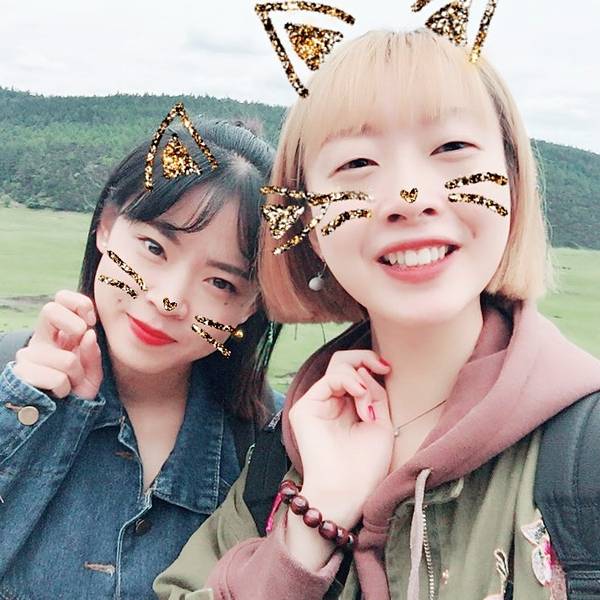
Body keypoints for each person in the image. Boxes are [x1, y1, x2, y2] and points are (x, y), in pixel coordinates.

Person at [154, 29, 600, 600]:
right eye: (357, 162)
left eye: (451, 148)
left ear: (513, 182)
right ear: (309, 222)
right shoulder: (281, 457)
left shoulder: (584, 455)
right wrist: (313, 521)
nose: (409, 198)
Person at [0, 116, 281, 598]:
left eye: (220, 282)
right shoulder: (11, 383)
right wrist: (23, 413)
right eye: (154, 247)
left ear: (251, 306)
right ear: (107, 227)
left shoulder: (273, 447)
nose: (170, 298)